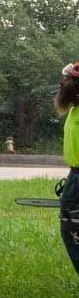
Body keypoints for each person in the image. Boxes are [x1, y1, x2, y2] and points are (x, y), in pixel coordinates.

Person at [59, 61, 79, 280]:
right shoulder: (74, 110)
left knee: (72, 227)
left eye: (71, 81)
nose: (65, 85)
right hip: (75, 176)